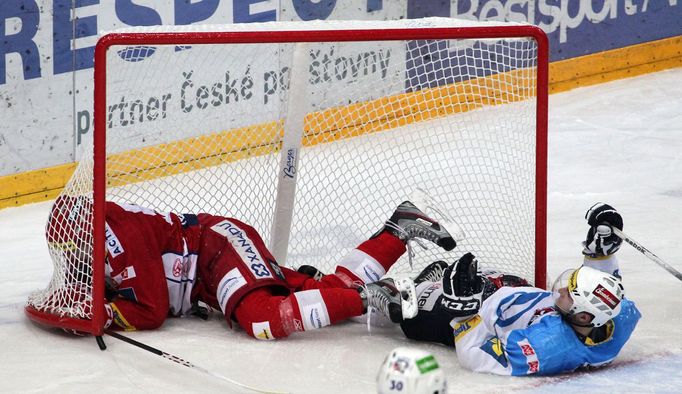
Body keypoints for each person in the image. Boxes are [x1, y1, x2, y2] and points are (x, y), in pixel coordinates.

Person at [45, 196, 456, 340]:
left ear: (86, 236)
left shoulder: (119, 236)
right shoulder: (100, 233)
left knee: (263, 319)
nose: (71, 258)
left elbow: (150, 310)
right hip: (210, 269)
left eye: (71, 248)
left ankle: (371, 296)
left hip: (217, 250)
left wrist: (101, 313)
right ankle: (398, 229)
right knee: (319, 295)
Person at [392, 202, 642, 375]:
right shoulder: (620, 314)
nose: (562, 288)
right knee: (455, 279)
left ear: (584, 316)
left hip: (482, 315)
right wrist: (601, 252)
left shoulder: (547, 347)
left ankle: (388, 283)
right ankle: (441, 281)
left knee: (404, 310)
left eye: (569, 293)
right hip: (513, 291)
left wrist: (464, 312)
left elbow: (475, 357)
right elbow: (605, 289)